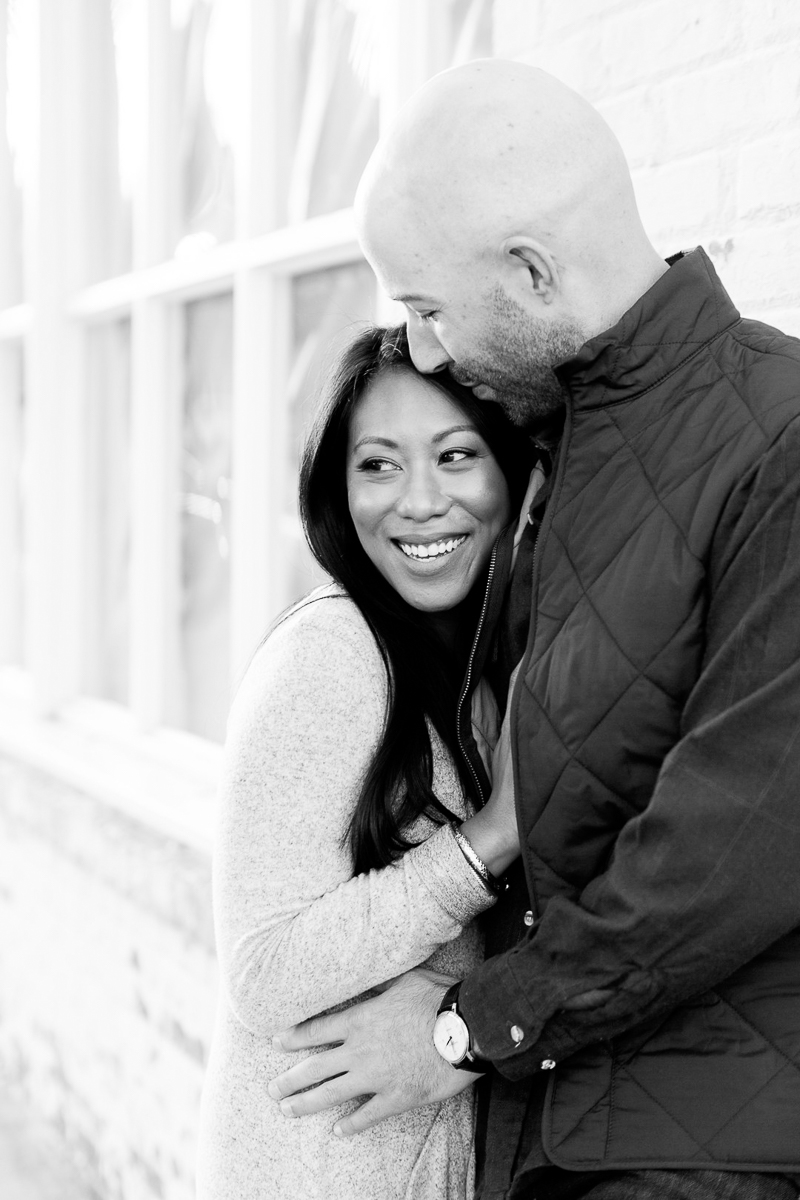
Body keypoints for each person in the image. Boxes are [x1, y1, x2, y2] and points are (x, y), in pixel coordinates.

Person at [265, 60, 800, 1200]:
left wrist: (464, 1028)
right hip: (555, 1139)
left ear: (531, 272)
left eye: (426, 310)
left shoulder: (780, 438)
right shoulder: (561, 452)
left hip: (699, 1159)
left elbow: (732, 852)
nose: (419, 352)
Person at [195, 325, 533, 1199]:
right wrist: (484, 845)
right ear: (337, 491)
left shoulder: (472, 668)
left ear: (514, 475)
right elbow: (262, 971)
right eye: (378, 465)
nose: (418, 501)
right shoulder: (333, 655)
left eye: (455, 456)